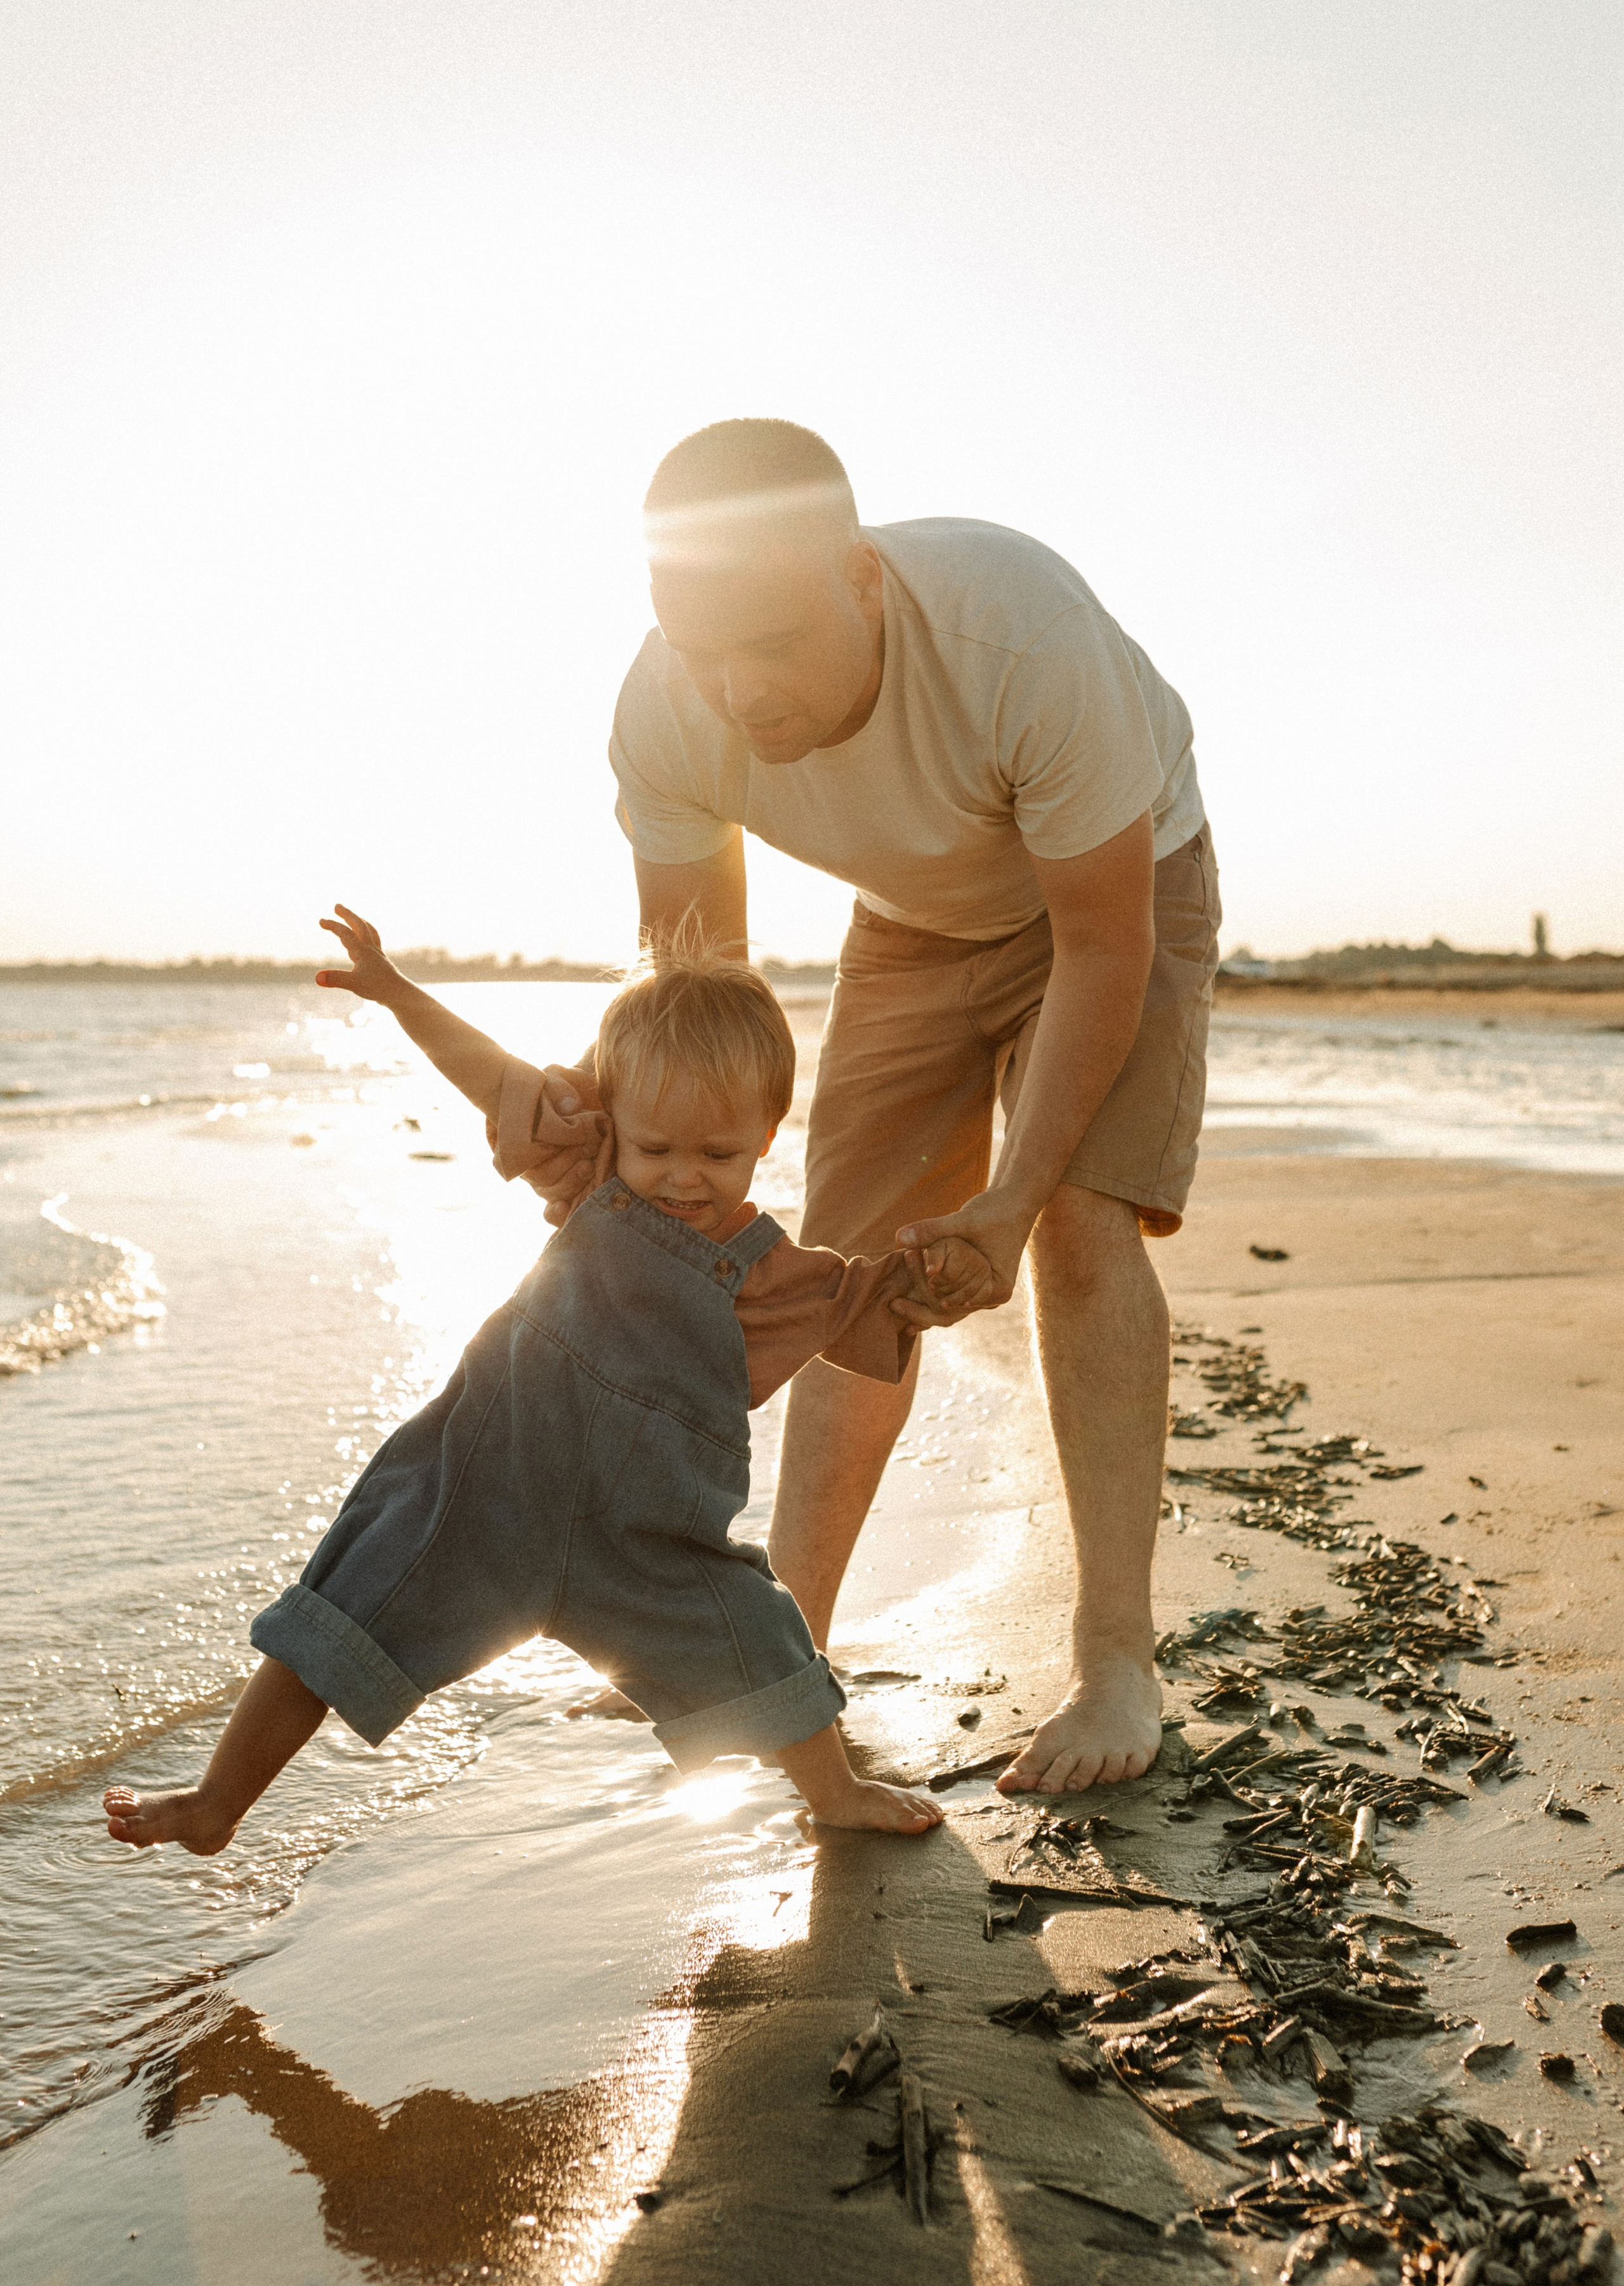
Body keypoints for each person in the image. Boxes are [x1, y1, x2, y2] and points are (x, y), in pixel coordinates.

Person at [563, 417, 1221, 1799]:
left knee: (1082, 1226)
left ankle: (1113, 1657)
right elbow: (700, 994)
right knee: (848, 1278)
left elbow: (1100, 951)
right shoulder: (664, 708)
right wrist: (628, 1154)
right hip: (913, 925)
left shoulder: (1016, 635)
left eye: (769, 645)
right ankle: (782, 1646)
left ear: (862, 584)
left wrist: (1007, 1197)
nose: (736, 694)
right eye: (702, 651)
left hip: (1113, 891)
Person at [103, 914, 993, 1857]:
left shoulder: (778, 1280)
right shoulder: (585, 1171)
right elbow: (491, 1075)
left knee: (764, 1635)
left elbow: (890, 1302)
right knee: (337, 1615)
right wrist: (400, 993)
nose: (683, 1179)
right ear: (613, 1124)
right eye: (656, 1149)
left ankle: (834, 1791)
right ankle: (214, 1806)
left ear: (767, 1137)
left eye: (718, 1155)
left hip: (651, 1541)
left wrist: (949, 1275)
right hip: (480, 1499)